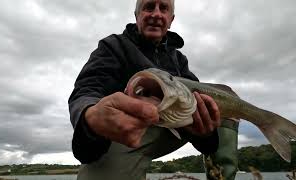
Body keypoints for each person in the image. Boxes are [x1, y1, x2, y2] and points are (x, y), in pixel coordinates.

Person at [68, 0, 238, 179]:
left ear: (171, 19)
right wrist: (90, 116)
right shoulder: (113, 46)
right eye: (149, 7)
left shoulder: (179, 60)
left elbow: (199, 109)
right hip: (129, 133)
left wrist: (206, 135)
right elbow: (87, 89)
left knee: (222, 107)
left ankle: (221, 176)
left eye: (163, 8)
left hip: (177, 125)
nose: (156, 14)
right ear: (137, 15)